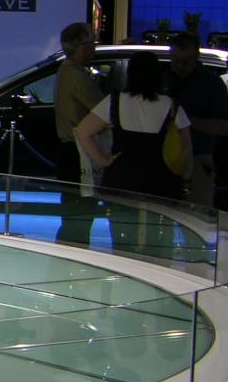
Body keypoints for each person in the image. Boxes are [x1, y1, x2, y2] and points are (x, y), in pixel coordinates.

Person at [76, 50, 190, 257]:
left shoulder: (115, 101)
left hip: (122, 177)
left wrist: (103, 160)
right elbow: (186, 148)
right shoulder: (170, 105)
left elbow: (83, 132)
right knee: (160, 241)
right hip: (161, 180)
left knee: (122, 239)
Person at [53, 22, 105, 245]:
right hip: (78, 152)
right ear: (81, 46)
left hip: (69, 149)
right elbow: (102, 109)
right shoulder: (77, 75)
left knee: (73, 212)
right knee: (81, 214)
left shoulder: (65, 70)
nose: (94, 48)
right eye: (91, 43)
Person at [166, 32, 228, 210]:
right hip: (166, 159)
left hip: (198, 158)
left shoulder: (211, 83)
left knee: (199, 217)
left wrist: (187, 122)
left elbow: (224, 126)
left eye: (186, 61)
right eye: (176, 59)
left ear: (196, 56)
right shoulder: (165, 79)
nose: (180, 66)